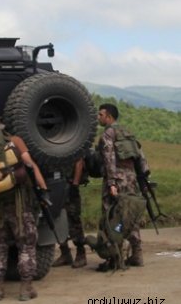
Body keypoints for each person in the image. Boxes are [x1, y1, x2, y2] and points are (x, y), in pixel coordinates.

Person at [0, 114, 50, 302]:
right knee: (26, 244)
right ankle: (25, 288)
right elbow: (29, 164)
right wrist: (43, 189)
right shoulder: (14, 141)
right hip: (19, 203)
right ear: (1, 127)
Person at [96, 103, 148, 271]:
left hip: (116, 180)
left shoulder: (108, 134)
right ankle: (137, 253)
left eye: (100, 115)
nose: (99, 118)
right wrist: (142, 179)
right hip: (131, 179)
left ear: (109, 116)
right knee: (130, 215)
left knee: (112, 217)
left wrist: (111, 182)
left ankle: (114, 257)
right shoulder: (127, 132)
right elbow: (141, 158)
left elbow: (109, 158)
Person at [52, 158, 87, 268]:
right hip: (56, 184)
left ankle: (81, 254)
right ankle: (65, 253)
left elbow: (79, 161)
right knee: (56, 219)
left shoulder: (72, 141)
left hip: (70, 184)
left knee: (73, 219)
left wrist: (75, 184)